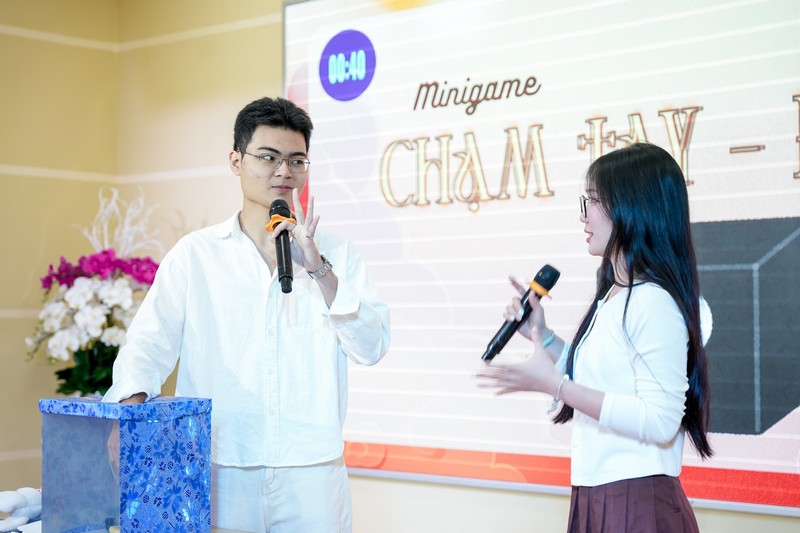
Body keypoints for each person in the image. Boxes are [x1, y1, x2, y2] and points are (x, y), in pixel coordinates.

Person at [102, 96, 391, 532]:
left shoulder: (337, 253)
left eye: (296, 160)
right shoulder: (196, 254)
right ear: (236, 161)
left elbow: (371, 347)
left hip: (311, 470)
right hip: (220, 462)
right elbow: (148, 343)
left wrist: (319, 270)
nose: (284, 172)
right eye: (269, 157)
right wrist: (129, 416)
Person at [477, 142, 712, 532]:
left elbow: (660, 420)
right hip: (599, 493)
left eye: (594, 201)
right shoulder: (617, 294)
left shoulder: (652, 301)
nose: (584, 216)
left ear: (633, 208)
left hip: (636, 501)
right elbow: (604, 375)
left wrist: (557, 386)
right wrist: (542, 336)